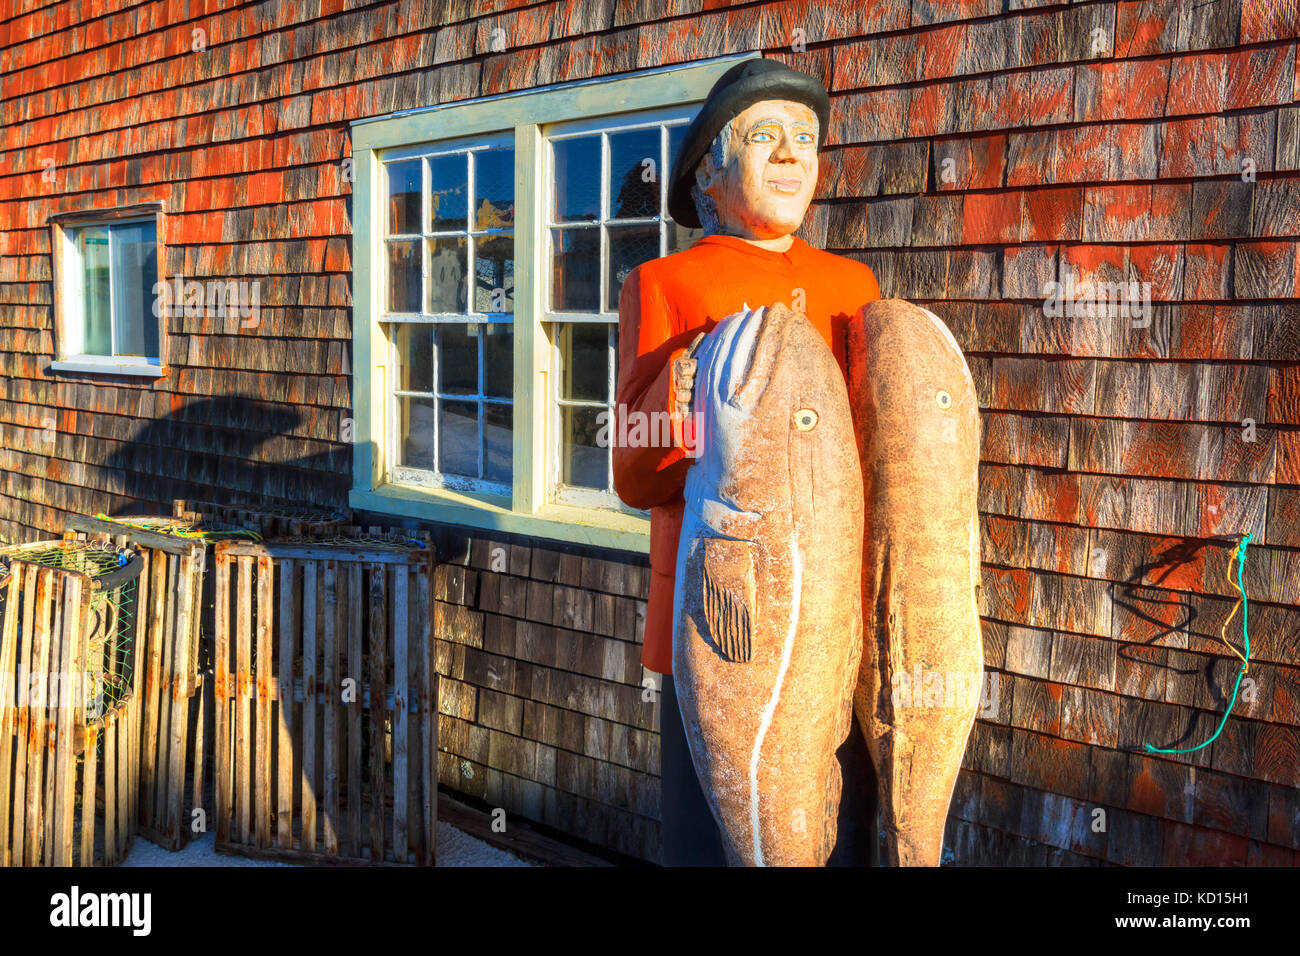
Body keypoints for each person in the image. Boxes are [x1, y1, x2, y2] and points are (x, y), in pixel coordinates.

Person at [613, 59, 882, 866]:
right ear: (708, 175)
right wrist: (683, 388)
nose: (792, 154)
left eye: (806, 139)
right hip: (716, 614)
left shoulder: (852, 283)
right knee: (717, 834)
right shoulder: (665, 282)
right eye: (764, 137)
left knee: (839, 830)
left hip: (838, 610)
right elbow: (634, 473)